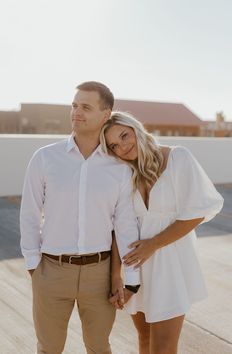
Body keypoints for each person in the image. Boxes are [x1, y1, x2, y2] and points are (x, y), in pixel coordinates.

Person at [20, 82, 140, 354]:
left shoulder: (119, 168)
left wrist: (130, 278)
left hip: (99, 275)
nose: (76, 112)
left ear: (106, 114)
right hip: (51, 271)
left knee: (99, 347)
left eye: (86, 107)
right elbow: (29, 212)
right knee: (48, 348)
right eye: (74, 105)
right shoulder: (44, 158)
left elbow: (125, 226)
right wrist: (33, 266)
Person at [100, 111, 224, 354]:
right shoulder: (124, 173)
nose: (123, 147)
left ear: (137, 129)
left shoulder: (178, 157)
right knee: (144, 339)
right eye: (114, 145)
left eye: (125, 136)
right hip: (136, 270)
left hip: (170, 265)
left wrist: (153, 244)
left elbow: (197, 211)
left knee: (164, 347)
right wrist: (117, 275)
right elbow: (118, 228)